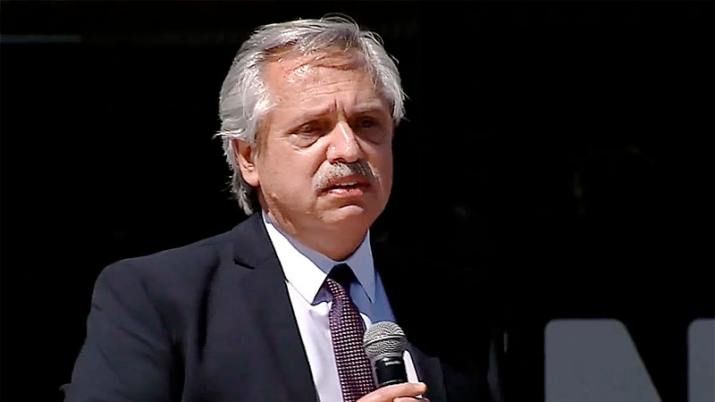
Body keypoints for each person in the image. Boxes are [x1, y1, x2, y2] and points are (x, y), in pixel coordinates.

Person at [63, 15, 504, 402]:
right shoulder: (160, 299)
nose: (349, 149)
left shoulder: (455, 302)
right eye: (312, 129)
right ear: (248, 157)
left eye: (367, 124)